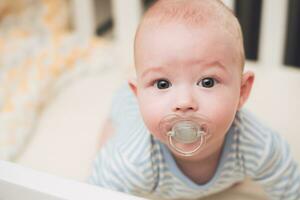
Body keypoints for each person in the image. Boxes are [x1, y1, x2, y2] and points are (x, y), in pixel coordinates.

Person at [89, 0, 300, 199]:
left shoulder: (257, 147)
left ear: (242, 91)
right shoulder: (131, 161)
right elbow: (90, 192)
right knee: (109, 141)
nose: (184, 102)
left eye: (207, 82)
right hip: (126, 111)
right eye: (162, 84)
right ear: (138, 95)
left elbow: (291, 187)